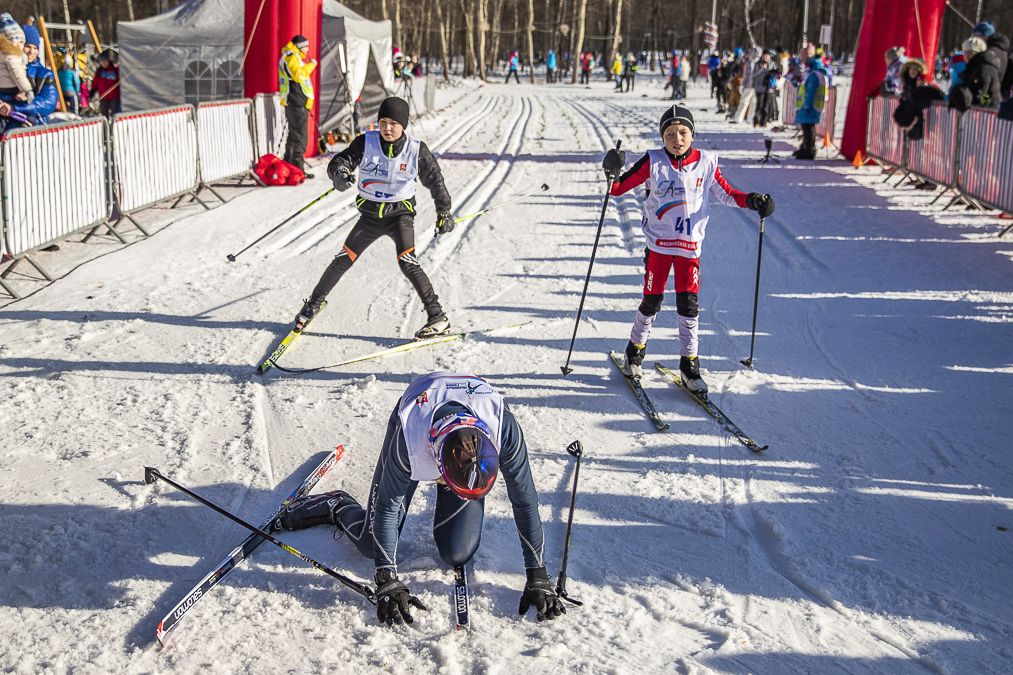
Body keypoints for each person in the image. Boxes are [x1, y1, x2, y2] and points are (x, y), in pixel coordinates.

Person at [273, 371, 566, 626]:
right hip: (420, 412)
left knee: (458, 554)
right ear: (438, 465)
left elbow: (525, 500)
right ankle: (337, 505)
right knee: (369, 544)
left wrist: (537, 574)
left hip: (461, 434)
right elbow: (388, 507)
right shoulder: (409, 441)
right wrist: (386, 579)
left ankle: (458, 491)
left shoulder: (503, 428)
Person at [601, 106, 774, 393]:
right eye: (669, 134)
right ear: (662, 138)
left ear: (692, 134)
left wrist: (754, 200)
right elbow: (617, 188)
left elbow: (728, 194)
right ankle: (634, 352)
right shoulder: (652, 161)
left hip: (689, 249)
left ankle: (689, 365)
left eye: (682, 132)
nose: (676, 139)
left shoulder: (706, 162)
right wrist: (611, 168)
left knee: (689, 306)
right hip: (659, 245)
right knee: (652, 301)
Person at [296, 97, 453, 339]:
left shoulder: (415, 150)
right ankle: (312, 305)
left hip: (399, 216)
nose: (387, 128)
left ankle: (437, 316)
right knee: (342, 259)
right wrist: (339, 173)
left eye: (393, 123)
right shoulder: (365, 143)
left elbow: (436, 182)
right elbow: (342, 161)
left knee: (407, 261)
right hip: (369, 218)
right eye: (382, 122)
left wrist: (444, 212)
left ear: (403, 125)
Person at [0, 24, 56, 135]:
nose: (31, 51)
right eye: (28, 46)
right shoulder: (5, 69)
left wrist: (15, 107)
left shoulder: (44, 73)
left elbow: (48, 102)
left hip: (35, 129)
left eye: (35, 48)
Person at [279, 35, 317, 177]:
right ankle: (297, 169)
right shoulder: (291, 57)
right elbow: (298, 75)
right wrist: (311, 64)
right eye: (306, 47)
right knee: (300, 137)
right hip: (295, 102)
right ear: (300, 46)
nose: (308, 50)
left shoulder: (293, 57)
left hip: (297, 101)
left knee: (295, 135)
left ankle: (290, 166)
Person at [794, 42, 829, 160]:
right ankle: (805, 147)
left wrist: (807, 105)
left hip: (811, 106)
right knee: (806, 128)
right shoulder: (811, 72)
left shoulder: (814, 73)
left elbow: (811, 91)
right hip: (808, 106)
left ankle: (809, 150)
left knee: (809, 129)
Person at [949, 35, 1002, 111]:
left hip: (990, 113)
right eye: (965, 52)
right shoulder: (972, 67)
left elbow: (985, 94)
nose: (966, 56)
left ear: (979, 53)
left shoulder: (984, 68)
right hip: (982, 113)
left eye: (971, 53)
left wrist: (981, 107)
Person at [0, 15, 32, 106]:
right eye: (15, 42)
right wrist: (27, 89)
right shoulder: (11, 54)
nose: (19, 45)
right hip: (10, 88)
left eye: (21, 42)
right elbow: (17, 73)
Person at [733, 46, 762, 123]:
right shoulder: (758, 62)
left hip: (749, 85)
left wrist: (743, 84)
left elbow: (747, 75)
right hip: (756, 86)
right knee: (753, 102)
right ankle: (750, 117)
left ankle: (739, 117)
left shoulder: (750, 62)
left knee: (744, 102)